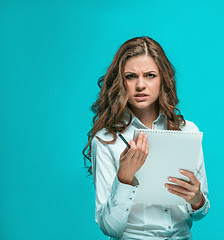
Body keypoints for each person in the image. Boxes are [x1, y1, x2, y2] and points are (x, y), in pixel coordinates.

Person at [82, 36, 210, 240]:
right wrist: (124, 179)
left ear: (163, 79)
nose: (141, 85)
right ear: (120, 82)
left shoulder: (188, 132)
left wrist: (197, 199)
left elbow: (201, 212)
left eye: (150, 75)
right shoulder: (107, 140)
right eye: (131, 76)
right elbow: (109, 228)